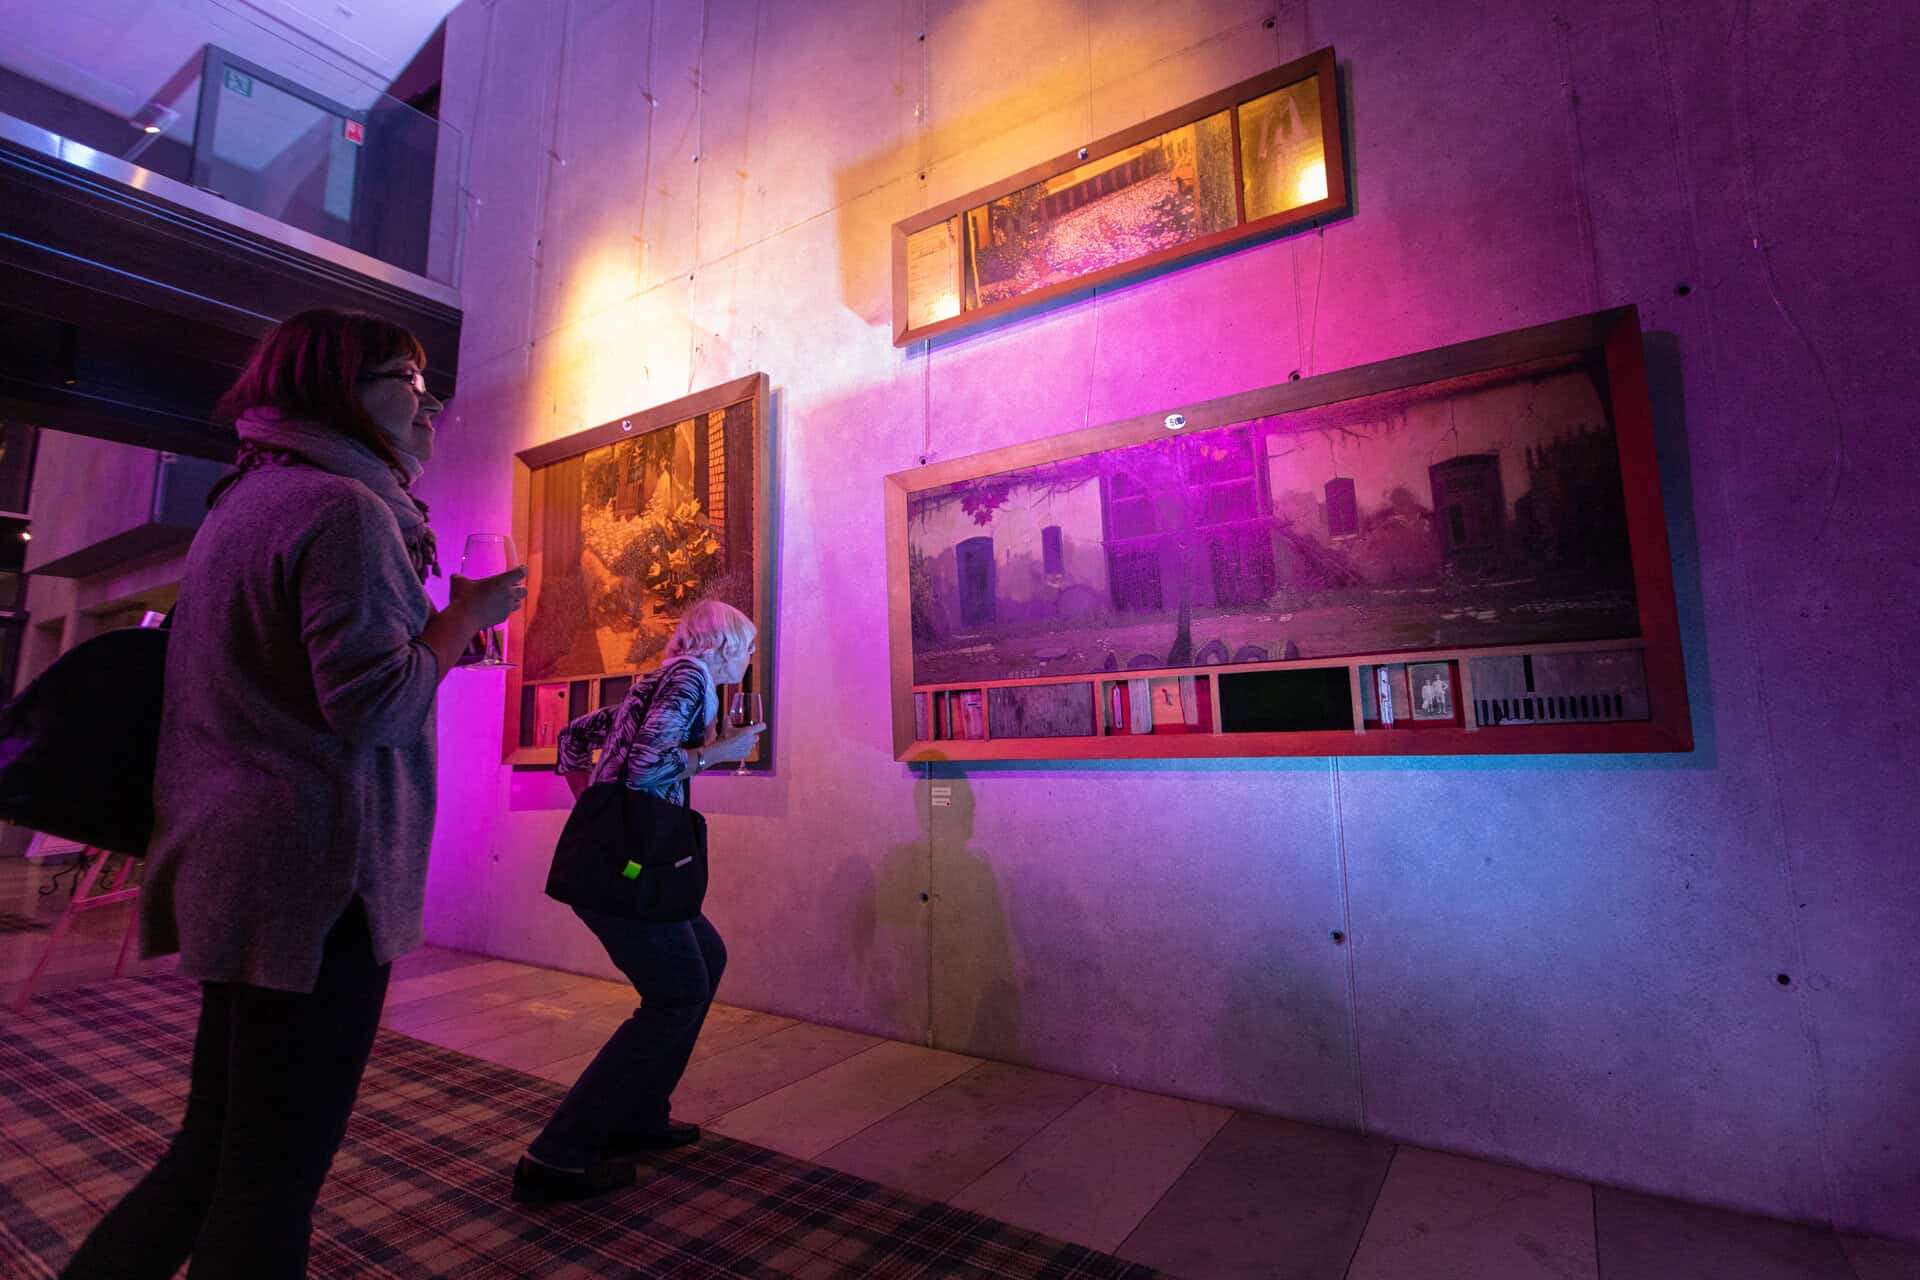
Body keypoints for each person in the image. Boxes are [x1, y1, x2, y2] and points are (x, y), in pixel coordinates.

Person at [60, 309, 527, 1279]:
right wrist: (461, 620)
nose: (431, 407)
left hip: (240, 865)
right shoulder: (347, 510)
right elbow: (374, 705)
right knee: (268, 1188)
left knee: (212, 1155)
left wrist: (438, 635)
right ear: (337, 388)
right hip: (317, 880)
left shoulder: (247, 497)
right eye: (408, 380)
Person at [513, 598, 763, 1204]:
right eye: (749, 646)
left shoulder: (656, 680)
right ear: (725, 645)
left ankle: (641, 1113)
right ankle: (556, 1156)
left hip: (627, 861)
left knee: (707, 957)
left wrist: (593, 806)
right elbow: (649, 766)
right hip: (632, 868)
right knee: (676, 993)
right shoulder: (691, 677)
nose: (751, 658)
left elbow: (573, 737)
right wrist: (720, 752)